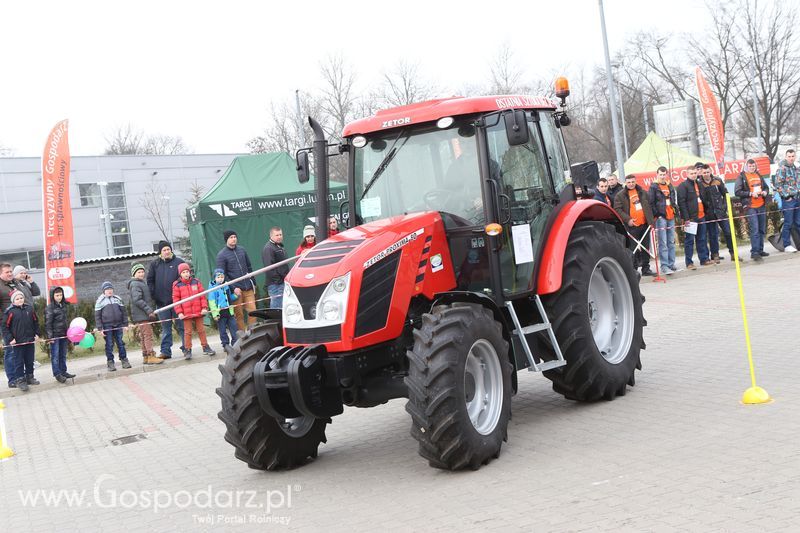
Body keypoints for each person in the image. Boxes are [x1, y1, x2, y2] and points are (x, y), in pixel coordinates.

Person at [147, 240, 185, 359]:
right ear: (160, 252)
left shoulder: (179, 262)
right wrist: (154, 295)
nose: (167, 251)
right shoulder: (155, 264)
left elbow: (185, 279)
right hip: (162, 303)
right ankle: (165, 352)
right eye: (164, 250)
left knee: (182, 327)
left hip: (178, 302)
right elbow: (150, 280)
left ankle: (186, 348)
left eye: (168, 249)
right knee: (166, 328)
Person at [614, 174, 655, 276]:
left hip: (644, 225)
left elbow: (649, 206)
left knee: (646, 247)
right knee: (633, 249)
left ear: (635, 182)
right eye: (629, 182)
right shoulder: (620, 195)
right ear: (625, 183)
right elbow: (617, 209)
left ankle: (646, 268)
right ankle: (634, 270)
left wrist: (651, 222)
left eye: (633, 182)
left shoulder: (643, 192)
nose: (631, 184)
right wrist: (628, 220)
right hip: (631, 226)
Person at [216, 230, 256, 331]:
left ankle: (252, 334)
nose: (233, 239)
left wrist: (252, 282)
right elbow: (222, 274)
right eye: (231, 237)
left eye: (234, 237)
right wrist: (233, 288)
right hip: (236, 291)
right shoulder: (221, 255)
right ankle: (242, 338)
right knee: (239, 315)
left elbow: (249, 267)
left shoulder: (242, 250)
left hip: (248, 287)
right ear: (226, 240)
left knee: (253, 312)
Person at [172, 263, 213, 359]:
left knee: (201, 330)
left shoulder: (196, 282)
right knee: (188, 332)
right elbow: (176, 300)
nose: (186, 274)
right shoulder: (177, 285)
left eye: (187, 271)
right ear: (180, 274)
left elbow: (202, 296)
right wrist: (180, 312)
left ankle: (205, 347)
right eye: (183, 272)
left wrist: (204, 308)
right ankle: (188, 350)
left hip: (198, 311)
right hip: (186, 313)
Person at [698, 164, 737, 263]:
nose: (706, 174)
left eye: (708, 172)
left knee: (728, 232)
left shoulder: (717, 180)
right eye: (704, 172)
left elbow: (726, 194)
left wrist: (724, 207)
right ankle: (715, 255)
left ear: (710, 171)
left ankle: (733, 253)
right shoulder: (699, 184)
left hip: (721, 212)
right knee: (713, 235)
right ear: (701, 173)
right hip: (709, 214)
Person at [2, 289, 40, 391]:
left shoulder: (30, 309)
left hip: (29, 340)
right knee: (18, 362)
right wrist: (10, 339)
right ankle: (20, 380)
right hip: (17, 342)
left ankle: (30, 377)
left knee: (29, 360)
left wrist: (37, 334)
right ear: (13, 301)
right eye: (17, 299)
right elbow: (5, 327)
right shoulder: (10, 312)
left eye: (21, 298)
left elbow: (36, 322)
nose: (20, 300)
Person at [735, 159, 770, 262]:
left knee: (762, 229)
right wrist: (750, 194)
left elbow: (766, 188)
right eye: (750, 166)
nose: (752, 168)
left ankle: (760, 250)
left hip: (761, 205)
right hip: (750, 207)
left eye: (753, 166)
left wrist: (765, 192)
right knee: (754, 229)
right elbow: (737, 191)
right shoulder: (742, 176)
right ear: (746, 166)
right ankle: (754, 253)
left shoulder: (758, 174)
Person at [128, 263, 163, 365]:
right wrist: (149, 310)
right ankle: (151, 355)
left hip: (142, 314)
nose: (141, 274)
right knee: (148, 335)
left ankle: (146, 357)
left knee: (144, 336)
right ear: (134, 274)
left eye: (142, 272)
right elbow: (137, 299)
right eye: (139, 272)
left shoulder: (140, 283)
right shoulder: (135, 284)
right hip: (142, 314)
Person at [677, 166, 710, 270]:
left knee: (702, 239)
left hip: (701, 216)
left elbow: (704, 199)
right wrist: (686, 218)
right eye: (691, 173)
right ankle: (689, 263)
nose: (694, 175)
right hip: (691, 218)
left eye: (695, 173)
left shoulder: (699, 184)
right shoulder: (683, 186)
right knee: (689, 241)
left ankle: (704, 259)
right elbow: (681, 203)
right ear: (687, 174)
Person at [648, 166, 679, 274]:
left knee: (671, 241)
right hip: (661, 217)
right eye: (660, 174)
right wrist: (658, 215)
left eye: (664, 174)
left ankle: (671, 264)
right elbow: (651, 202)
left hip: (671, 216)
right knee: (663, 242)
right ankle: (664, 266)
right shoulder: (653, 187)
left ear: (666, 174)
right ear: (657, 175)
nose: (662, 176)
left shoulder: (669, 185)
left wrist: (675, 211)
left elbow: (673, 199)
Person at [94, 281, 130, 372]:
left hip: (118, 325)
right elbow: (97, 316)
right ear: (103, 291)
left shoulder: (117, 299)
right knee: (109, 344)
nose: (109, 291)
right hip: (107, 326)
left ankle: (124, 360)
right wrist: (100, 328)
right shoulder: (100, 301)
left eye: (110, 289)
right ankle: (110, 362)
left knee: (120, 343)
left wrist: (125, 324)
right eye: (107, 289)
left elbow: (124, 312)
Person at [45, 286, 76, 383]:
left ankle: (63, 371)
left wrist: (68, 333)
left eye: (61, 295)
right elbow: (48, 323)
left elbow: (65, 321)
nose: (59, 297)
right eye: (57, 295)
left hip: (64, 334)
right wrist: (50, 337)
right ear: (52, 296)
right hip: (55, 336)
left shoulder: (63, 306)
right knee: (55, 356)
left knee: (63, 354)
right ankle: (57, 374)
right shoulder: (50, 308)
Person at [773, 148, 800, 253]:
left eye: (793, 156)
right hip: (788, 200)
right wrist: (786, 196)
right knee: (788, 223)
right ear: (786, 157)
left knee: (798, 223)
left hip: (797, 198)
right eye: (789, 156)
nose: (791, 158)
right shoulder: (782, 169)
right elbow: (778, 185)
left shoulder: (795, 168)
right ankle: (786, 244)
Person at [208, 268, 238, 353]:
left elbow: (230, 298)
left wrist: (235, 296)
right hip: (220, 314)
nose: (220, 278)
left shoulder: (226, 286)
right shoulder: (212, 289)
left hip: (229, 312)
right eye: (218, 277)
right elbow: (212, 303)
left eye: (222, 277)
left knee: (234, 328)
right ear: (214, 278)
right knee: (222, 331)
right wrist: (215, 314)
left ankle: (235, 344)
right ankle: (225, 345)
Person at [0, 263, 19, 388]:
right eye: (7, 272)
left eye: (11, 271)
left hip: (18, 322)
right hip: (6, 324)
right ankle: (12, 379)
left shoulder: (14, 284)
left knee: (19, 351)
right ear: (1, 273)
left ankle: (20, 376)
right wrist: (3, 322)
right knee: (10, 352)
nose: (10, 273)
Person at [261, 226, 289, 309]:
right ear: (271, 236)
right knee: (277, 308)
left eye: (280, 234)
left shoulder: (279, 246)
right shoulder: (268, 248)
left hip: (282, 282)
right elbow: (269, 267)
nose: (279, 237)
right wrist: (278, 281)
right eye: (277, 235)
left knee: (283, 307)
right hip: (275, 285)